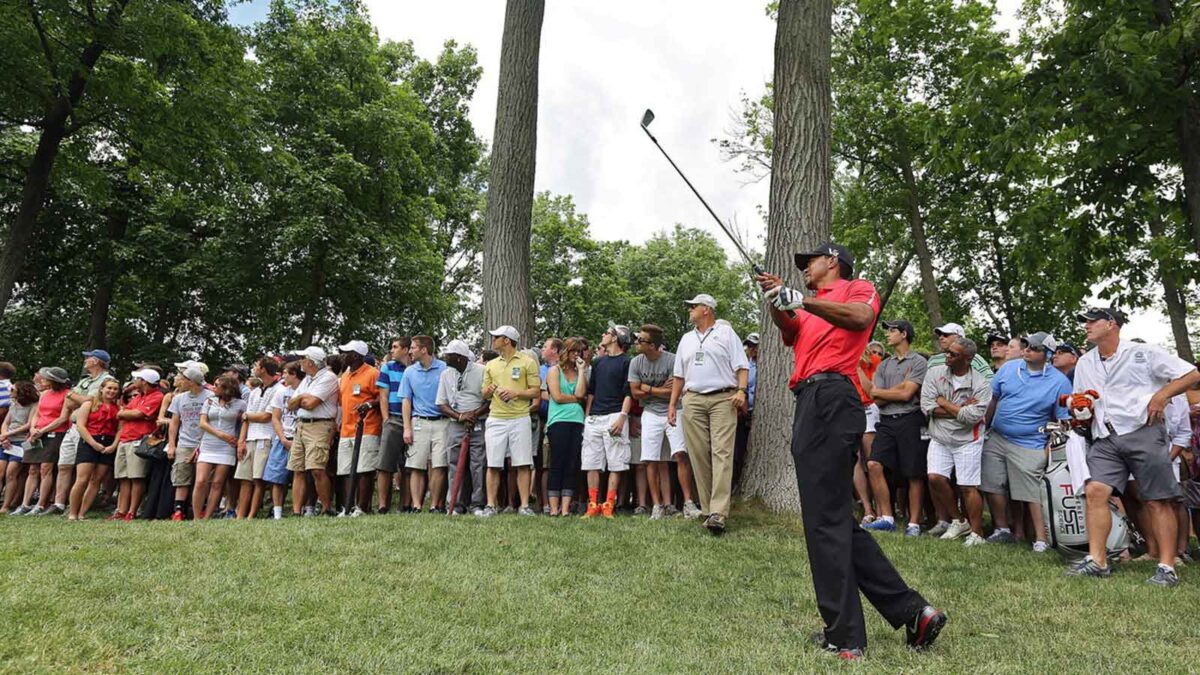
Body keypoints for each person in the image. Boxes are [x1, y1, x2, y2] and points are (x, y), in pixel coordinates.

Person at [758, 241, 946, 660]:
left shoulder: (856, 289)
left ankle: (845, 636)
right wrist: (776, 299)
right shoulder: (811, 305)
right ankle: (914, 612)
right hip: (810, 401)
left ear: (833, 261)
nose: (805, 268)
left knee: (824, 521)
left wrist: (799, 298)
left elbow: (862, 317)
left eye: (810, 261)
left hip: (832, 396)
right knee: (833, 518)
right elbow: (789, 329)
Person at [1067, 308, 1200, 586]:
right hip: (1104, 436)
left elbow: (1191, 374)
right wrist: (1080, 411)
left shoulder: (1143, 352)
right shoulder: (1085, 362)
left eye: (1092, 321)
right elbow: (1080, 398)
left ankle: (1167, 566)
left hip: (1143, 431)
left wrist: (1162, 396)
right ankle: (1098, 561)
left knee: (1157, 499)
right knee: (1095, 492)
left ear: (1111, 324)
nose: (1086, 326)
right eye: (1085, 322)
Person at [980, 332, 1071, 551]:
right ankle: (1002, 529)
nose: (1027, 349)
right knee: (992, 483)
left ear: (1047, 354)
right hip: (997, 436)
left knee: (1032, 492)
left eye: (1034, 348)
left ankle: (1041, 539)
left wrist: (1047, 450)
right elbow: (994, 400)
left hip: (1030, 442)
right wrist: (984, 429)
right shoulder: (1009, 368)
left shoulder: (1059, 381)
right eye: (1027, 345)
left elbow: (1063, 421)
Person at [668, 294, 749, 534]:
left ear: (707, 309)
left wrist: (742, 391)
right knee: (698, 454)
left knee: (722, 452)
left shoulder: (726, 333)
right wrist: (672, 404)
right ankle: (707, 508)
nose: (689, 310)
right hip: (692, 398)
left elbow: (742, 366)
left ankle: (718, 512)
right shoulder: (686, 339)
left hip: (723, 397)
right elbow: (679, 375)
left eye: (693, 306)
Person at [921, 337, 991, 546]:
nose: (947, 356)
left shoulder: (981, 383)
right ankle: (959, 521)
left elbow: (972, 417)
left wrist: (942, 402)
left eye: (953, 354)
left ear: (967, 359)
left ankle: (977, 533)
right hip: (940, 436)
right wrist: (960, 409)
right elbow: (927, 406)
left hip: (968, 439)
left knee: (967, 486)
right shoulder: (935, 373)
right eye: (948, 352)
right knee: (935, 478)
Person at [863, 320, 928, 536]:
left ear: (904, 334)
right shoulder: (884, 365)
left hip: (911, 419)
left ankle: (914, 524)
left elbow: (907, 395)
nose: (888, 334)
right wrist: (898, 388)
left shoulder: (918, 361)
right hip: (886, 421)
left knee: (913, 472)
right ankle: (887, 518)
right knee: (873, 464)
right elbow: (875, 397)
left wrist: (889, 392)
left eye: (892, 331)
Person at [630, 324, 696, 520]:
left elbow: (674, 391)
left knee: (680, 454)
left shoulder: (672, 360)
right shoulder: (635, 362)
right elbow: (635, 392)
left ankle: (688, 503)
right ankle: (657, 506)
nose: (636, 343)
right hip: (650, 412)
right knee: (650, 459)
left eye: (640, 340)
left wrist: (648, 388)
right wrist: (659, 390)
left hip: (674, 410)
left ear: (652, 345)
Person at [480, 325, 541, 517]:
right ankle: (491, 505)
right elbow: (484, 393)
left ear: (507, 340)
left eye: (496, 337)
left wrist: (516, 393)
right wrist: (489, 390)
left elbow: (535, 391)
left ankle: (524, 506)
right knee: (493, 463)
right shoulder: (491, 364)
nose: (493, 340)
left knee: (522, 463)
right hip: (496, 418)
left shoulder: (527, 362)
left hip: (520, 418)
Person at [55, 350, 117, 516]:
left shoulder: (106, 379)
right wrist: (75, 397)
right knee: (65, 466)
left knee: (89, 477)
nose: (85, 360)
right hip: (76, 428)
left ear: (95, 361)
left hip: (95, 433)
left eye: (88, 357)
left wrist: (73, 396)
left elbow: (87, 401)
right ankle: (60, 505)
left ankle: (79, 511)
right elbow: (69, 402)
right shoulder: (86, 380)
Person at [581, 323, 633, 520]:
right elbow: (592, 391)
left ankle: (609, 504)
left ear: (615, 338)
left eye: (607, 333)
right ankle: (593, 504)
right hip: (595, 418)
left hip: (615, 415)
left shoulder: (627, 362)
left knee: (616, 462)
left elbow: (628, 393)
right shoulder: (598, 362)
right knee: (591, 462)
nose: (603, 334)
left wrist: (622, 417)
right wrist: (587, 416)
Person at [287, 346, 339, 516]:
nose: (300, 361)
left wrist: (301, 398)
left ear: (311, 362)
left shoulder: (328, 378)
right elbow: (290, 405)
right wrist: (303, 397)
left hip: (320, 426)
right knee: (298, 469)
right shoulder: (307, 379)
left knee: (317, 469)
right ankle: (296, 511)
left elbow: (310, 404)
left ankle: (326, 508)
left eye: (303, 358)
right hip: (301, 425)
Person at [398, 336, 445, 513]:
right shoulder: (409, 372)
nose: (410, 351)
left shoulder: (444, 369)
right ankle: (416, 505)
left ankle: (434, 505)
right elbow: (406, 401)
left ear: (424, 350)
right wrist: (407, 428)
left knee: (438, 465)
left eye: (413, 348)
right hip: (419, 421)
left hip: (442, 422)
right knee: (416, 465)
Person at [19, 367, 73, 516]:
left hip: (55, 433)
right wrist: (33, 428)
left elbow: (63, 418)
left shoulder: (68, 394)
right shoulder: (44, 394)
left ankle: (41, 504)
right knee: (32, 469)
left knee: (46, 468)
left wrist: (43, 430)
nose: (43, 379)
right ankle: (25, 504)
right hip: (37, 434)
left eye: (46, 378)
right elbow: (37, 414)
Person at [111, 368, 165, 520]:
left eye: (137, 379)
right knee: (123, 477)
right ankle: (121, 510)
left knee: (137, 477)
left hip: (139, 440)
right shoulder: (139, 396)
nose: (134, 381)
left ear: (144, 381)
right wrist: (128, 413)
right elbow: (123, 412)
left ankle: (132, 511)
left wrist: (128, 413)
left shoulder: (157, 396)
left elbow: (138, 413)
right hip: (125, 439)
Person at [336, 340, 381, 517]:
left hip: (367, 427)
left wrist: (369, 404)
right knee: (346, 470)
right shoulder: (345, 375)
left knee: (365, 469)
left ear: (355, 356)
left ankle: (362, 507)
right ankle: (347, 507)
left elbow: (382, 397)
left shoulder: (373, 373)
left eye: (346, 353)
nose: (342, 356)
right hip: (346, 429)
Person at [233, 358, 282, 519]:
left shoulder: (278, 389)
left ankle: (251, 515)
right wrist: (241, 441)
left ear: (263, 369)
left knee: (258, 479)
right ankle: (240, 515)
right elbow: (247, 418)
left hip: (266, 438)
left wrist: (247, 415)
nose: (254, 368)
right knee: (245, 479)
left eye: (256, 365)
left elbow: (266, 416)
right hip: (250, 438)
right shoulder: (254, 391)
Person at [542, 337, 586, 517]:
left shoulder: (578, 372)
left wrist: (581, 371)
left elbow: (581, 393)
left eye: (579, 352)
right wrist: (575, 399)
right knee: (557, 463)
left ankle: (565, 508)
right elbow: (557, 397)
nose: (576, 355)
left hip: (577, 420)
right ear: (566, 351)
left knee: (571, 464)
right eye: (573, 351)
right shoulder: (554, 370)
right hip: (558, 421)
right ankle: (553, 507)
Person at [67, 378, 122, 520]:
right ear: (102, 389)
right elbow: (81, 426)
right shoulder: (89, 403)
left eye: (115, 389)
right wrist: (93, 443)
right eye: (109, 388)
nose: (112, 391)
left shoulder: (118, 408)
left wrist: (113, 446)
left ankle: (82, 513)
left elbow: (120, 429)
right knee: (82, 479)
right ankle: (72, 513)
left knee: (96, 480)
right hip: (89, 440)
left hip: (108, 442)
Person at [193, 375, 246, 519]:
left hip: (227, 446)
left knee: (218, 483)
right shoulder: (209, 401)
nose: (213, 387)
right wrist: (220, 434)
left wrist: (240, 441)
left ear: (227, 388)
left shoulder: (240, 404)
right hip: (209, 442)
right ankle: (196, 516)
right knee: (200, 481)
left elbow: (244, 423)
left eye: (217, 385)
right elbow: (203, 423)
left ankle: (207, 516)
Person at [164, 367, 212, 520]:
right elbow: (174, 423)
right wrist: (172, 445)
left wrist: (201, 445)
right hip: (184, 443)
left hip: (205, 443)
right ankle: (178, 510)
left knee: (202, 479)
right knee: (181, 477)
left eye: (183, 379)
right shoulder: (179, 398)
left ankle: (200, 508)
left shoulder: (210, 397)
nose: (180, 381)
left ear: (191, 382)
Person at [375, 337, 412, 513]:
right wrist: (386, 419)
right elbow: (383, 395)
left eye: (395, 347)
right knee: (385, 464)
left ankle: (405, 504)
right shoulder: (388, 367)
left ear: (406, 349)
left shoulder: (416, 368)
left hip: (413, 419)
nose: (392, 350)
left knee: (409, 466)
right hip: (393, 419)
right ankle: (383, 505)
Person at [263, 361, 302, 519]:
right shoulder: (281, 392)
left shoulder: (305, 390)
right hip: (282, 438)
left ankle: (301, 510)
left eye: (286, 373)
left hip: (300, 438)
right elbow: (275, 417)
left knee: (300, 475)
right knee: (277, 477)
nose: (283, 376)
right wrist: (283, 438)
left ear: (294, 374)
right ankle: (277, 513)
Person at [854, 346, 883, 525]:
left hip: (867, 409)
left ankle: (881, 510)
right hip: (848, 410)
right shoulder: (840, 358)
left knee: (872, 461)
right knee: (855, 461)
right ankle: (867, 510)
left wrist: (858, 367)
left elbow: (871, 390)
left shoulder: (873, 361)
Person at [0, 381, 38, 513]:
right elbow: (6, 422)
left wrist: (8, 434)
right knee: (1, 472)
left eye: (12, 390)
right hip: (7, 441)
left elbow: (28, 425)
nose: (10, 392)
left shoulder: (34, 406)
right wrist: (4, 436)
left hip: (21, 443)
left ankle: (6, 506)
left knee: (11, 474)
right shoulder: (13, 404)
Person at [733, 332, 759, 493]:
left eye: (755, 345)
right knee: (739, 451)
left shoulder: (767, 367)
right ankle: (737, 483)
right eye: (749, 346)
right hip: (744, 414)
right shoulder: (745, 367)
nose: (752, 349)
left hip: (760, 412)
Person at [927, 324, 993, 380]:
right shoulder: (933, 360)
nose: (941, 338)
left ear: (959, 337)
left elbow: (989, 382)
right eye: (940, 335)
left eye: (945, 335)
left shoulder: (974, 359)